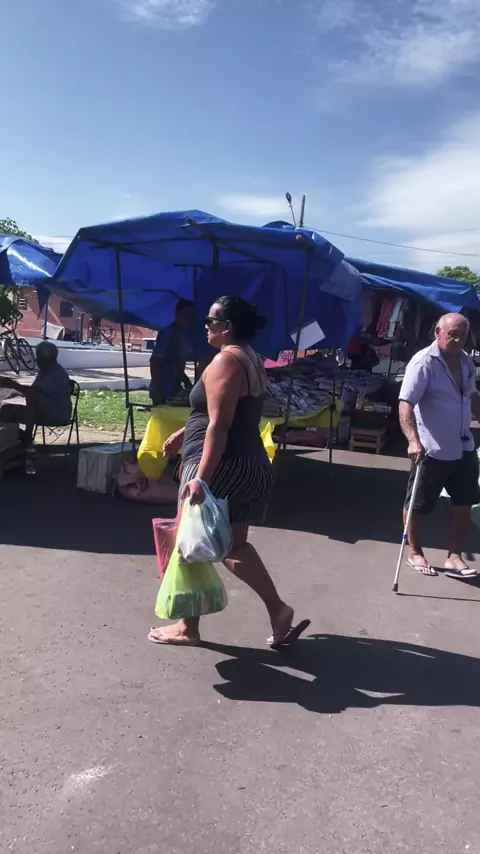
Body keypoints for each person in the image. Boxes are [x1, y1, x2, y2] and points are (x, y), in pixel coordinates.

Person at [148, 295, 309, 648]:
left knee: (189, 541)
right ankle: (279, 611)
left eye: (210, 321)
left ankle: (188, 627)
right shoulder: (249, 357)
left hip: (221, 467)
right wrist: (183, 432)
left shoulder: (225, 361)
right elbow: (225, 413)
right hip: (247, 462)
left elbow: (219, 426)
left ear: (227, 326)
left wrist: (200, 478)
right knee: (234, 546)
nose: (205, 326)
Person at [399, 313, 480, 579]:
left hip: (463, 445)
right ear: (438, 333)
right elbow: (406, 403)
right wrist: (413, 440)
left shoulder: (466, 361)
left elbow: (473, 396)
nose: (457, 340)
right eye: (452, 334)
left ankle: (454, 556)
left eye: (462, 335)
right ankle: (414, 552)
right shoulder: (423, 362)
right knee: (418, 503)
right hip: (432, 448)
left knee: (464, 501)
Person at [0, 341, 72, 445]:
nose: (37, 360)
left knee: (32, 396)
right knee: (6, 410)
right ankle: (11, 439)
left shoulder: (57, 374)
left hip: (58, 414)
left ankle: (28, 435)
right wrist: (12, 388)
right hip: (42, 411)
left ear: (48, 359)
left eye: (39, 357)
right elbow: (31, 390)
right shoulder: (44, 371)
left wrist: (14, 385)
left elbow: (34, 393)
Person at [149, 299, 195, 406]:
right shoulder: (167, 334)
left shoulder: (185, 335)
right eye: (185, 314)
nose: (188, 319)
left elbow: (178, 363)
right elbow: (155, 361)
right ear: (176, 314)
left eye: (191, 316)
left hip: (175, 389)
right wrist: (158, 390)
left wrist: (187, 382)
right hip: (162, 390)